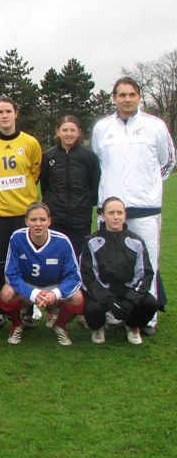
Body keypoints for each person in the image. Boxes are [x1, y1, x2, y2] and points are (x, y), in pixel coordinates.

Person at [92, 77, 175, 335]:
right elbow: (100, 163)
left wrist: (147, 185)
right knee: (108, 265)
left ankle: (143, 319)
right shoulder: (102, 128)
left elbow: (167, 162)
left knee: (146, 263)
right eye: (121, 95)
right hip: (109, 209)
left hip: (145, 209)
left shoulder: (155, 126)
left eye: (131, 94)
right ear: (114, 98)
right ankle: (113, 316)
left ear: (139, 97)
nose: (127, 99)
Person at [0, 97, 42, 331]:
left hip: (25, 216)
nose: (4, 116)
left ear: (16, 113)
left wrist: (20, 194)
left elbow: (34, 172)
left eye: (8, 111)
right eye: (0, 112)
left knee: (28, 265)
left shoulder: (31, 143)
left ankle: (28, 312)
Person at [0, 202, 84, 345]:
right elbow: (11, 273)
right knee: (6, 293)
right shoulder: (17, 238)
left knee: (77, 297)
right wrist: (32, 293)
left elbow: (74, 277)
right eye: (33, 220)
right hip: (28, 286)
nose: (38, 224)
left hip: (53, 286)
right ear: (26, 221)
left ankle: (60, 325)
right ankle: (17, 325)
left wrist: (55, 293)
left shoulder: (62, 241)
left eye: (42, 219)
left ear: (49, 221)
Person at [81, 197, 157, 345]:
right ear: (103, 215)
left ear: (125, 215)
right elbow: (89, 276)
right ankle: (97, 327)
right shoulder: (91, 242)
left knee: (150, 304)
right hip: (104, 292)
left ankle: (132, 326)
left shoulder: (136, 242)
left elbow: (145, 274)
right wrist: (110, 301)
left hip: (128, 292)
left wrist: (129, 300)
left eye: (119, 212)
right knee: (91, 309)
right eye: (111, 213)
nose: (116, 217)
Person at [40, 115, 100, 258]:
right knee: (55, 258)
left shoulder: (89, 156)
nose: (68, 134)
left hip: (80, 220)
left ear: (79, 132)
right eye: (65, 130)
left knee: (78, 258)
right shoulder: (48, 156)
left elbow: (94, 185)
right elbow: (45, 185)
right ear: (58, 131)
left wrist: (83, 204)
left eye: (72, 130)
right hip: (55, 219)